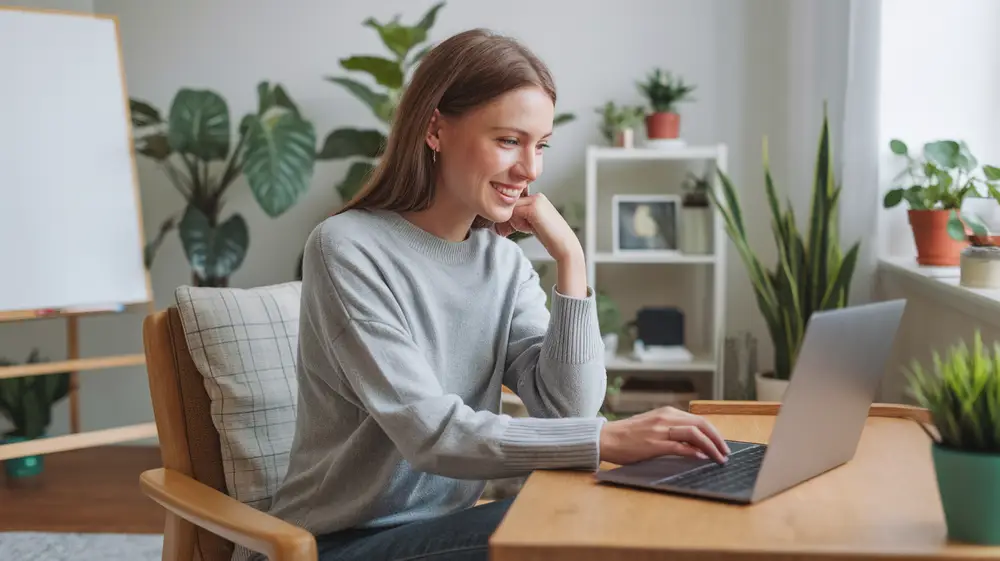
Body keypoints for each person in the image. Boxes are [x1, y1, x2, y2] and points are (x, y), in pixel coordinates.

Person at [264, 28, 731, 561]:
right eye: (509, 140)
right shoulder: (347, 248)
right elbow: (432, 436)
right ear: (435, 128)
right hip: (338, 544)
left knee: (596, 512)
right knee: (580, 527)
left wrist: (571, 262)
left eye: (541, 146)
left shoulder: (502, 262)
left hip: (443, 533)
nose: (530, 169)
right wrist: (606, 440)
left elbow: (568, 410)